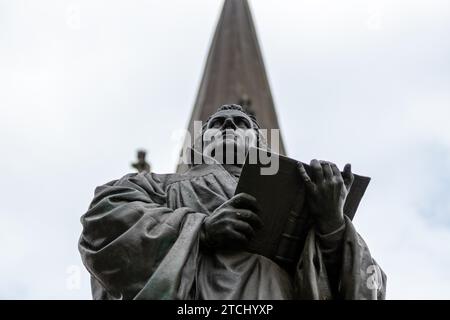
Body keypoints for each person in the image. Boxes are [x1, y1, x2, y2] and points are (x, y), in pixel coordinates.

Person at [79, 104, 386, 300]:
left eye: (240, 123)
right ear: (199, 145)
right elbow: (103, 221)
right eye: (217, 123)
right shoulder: (155, 185)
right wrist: (199, 229)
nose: (227, 126)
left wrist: (332, 225)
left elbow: (369, 287)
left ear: (260, 143)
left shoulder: (306, 194)